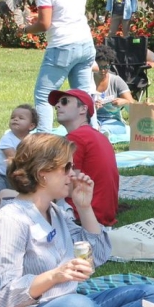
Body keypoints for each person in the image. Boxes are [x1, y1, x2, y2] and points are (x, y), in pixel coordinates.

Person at [0, 134, 154, 307]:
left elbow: (98, 256)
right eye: (66, 167)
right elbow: (4, 295)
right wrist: (55, 276)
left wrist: (84, 207)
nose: (73, 174)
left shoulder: (54, 212)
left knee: (150, 295)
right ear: (42, 173)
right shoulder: (10, 221)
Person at [25, 0, 96, 133]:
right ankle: (93, 137)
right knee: (84, 96)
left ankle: (44, 142)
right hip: (85, 43)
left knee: (44, 95)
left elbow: (44, 24)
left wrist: (25, 29)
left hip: (63, 46)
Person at [50, 89, 119, 226]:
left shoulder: (76, 138)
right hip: (104, 212)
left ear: (83, 109)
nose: (57, 105)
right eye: (57, 103)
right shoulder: (98, 136)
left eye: (64, 102)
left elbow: (69, 188)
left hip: (83, 214)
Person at [0, 105, 38, 216]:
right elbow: (13, 157)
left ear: (31, 126)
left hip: (16, 176)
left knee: (15, 200)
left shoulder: (32, 140)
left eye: (21, 118)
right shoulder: (7, 138)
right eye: (13, 117)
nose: (15, 119)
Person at [91, 44, 135, 136]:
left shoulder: (116, 81)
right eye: (100, 67)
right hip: (91, 119)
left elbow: (134, 107)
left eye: (106, 67)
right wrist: (92, 108)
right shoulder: (87, 81)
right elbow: (77, 107)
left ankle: (102, 135)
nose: (103, 71)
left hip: (112, 121)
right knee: (90, 128)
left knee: (107, 129)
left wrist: (125, 102)